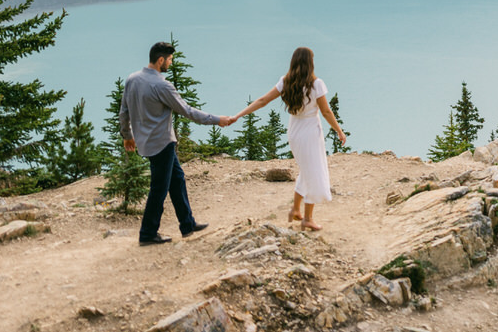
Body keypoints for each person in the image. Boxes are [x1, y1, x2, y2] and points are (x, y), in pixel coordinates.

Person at [119, 40, 236, 245]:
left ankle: (187, 223)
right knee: (159, 189)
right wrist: (218, 120)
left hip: (148, 142)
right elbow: (187, 111)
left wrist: (127, 135)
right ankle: (147, 234)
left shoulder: (132, 79)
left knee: (177, 179)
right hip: (161, 143)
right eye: (170, 60)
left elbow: (124, 111)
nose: (171, 64)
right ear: (161, 60)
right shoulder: (162, 85)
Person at [235, 46, 346, 230]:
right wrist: (339, 131)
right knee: (313, 171)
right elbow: (326, 111)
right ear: (310, 63)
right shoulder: (316, 84)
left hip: (294, 130)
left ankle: (295, 209)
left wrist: (238, 115)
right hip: (310, 131)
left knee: (306, 168)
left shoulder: (286, 82)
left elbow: (263, 100)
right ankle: (307, 218)